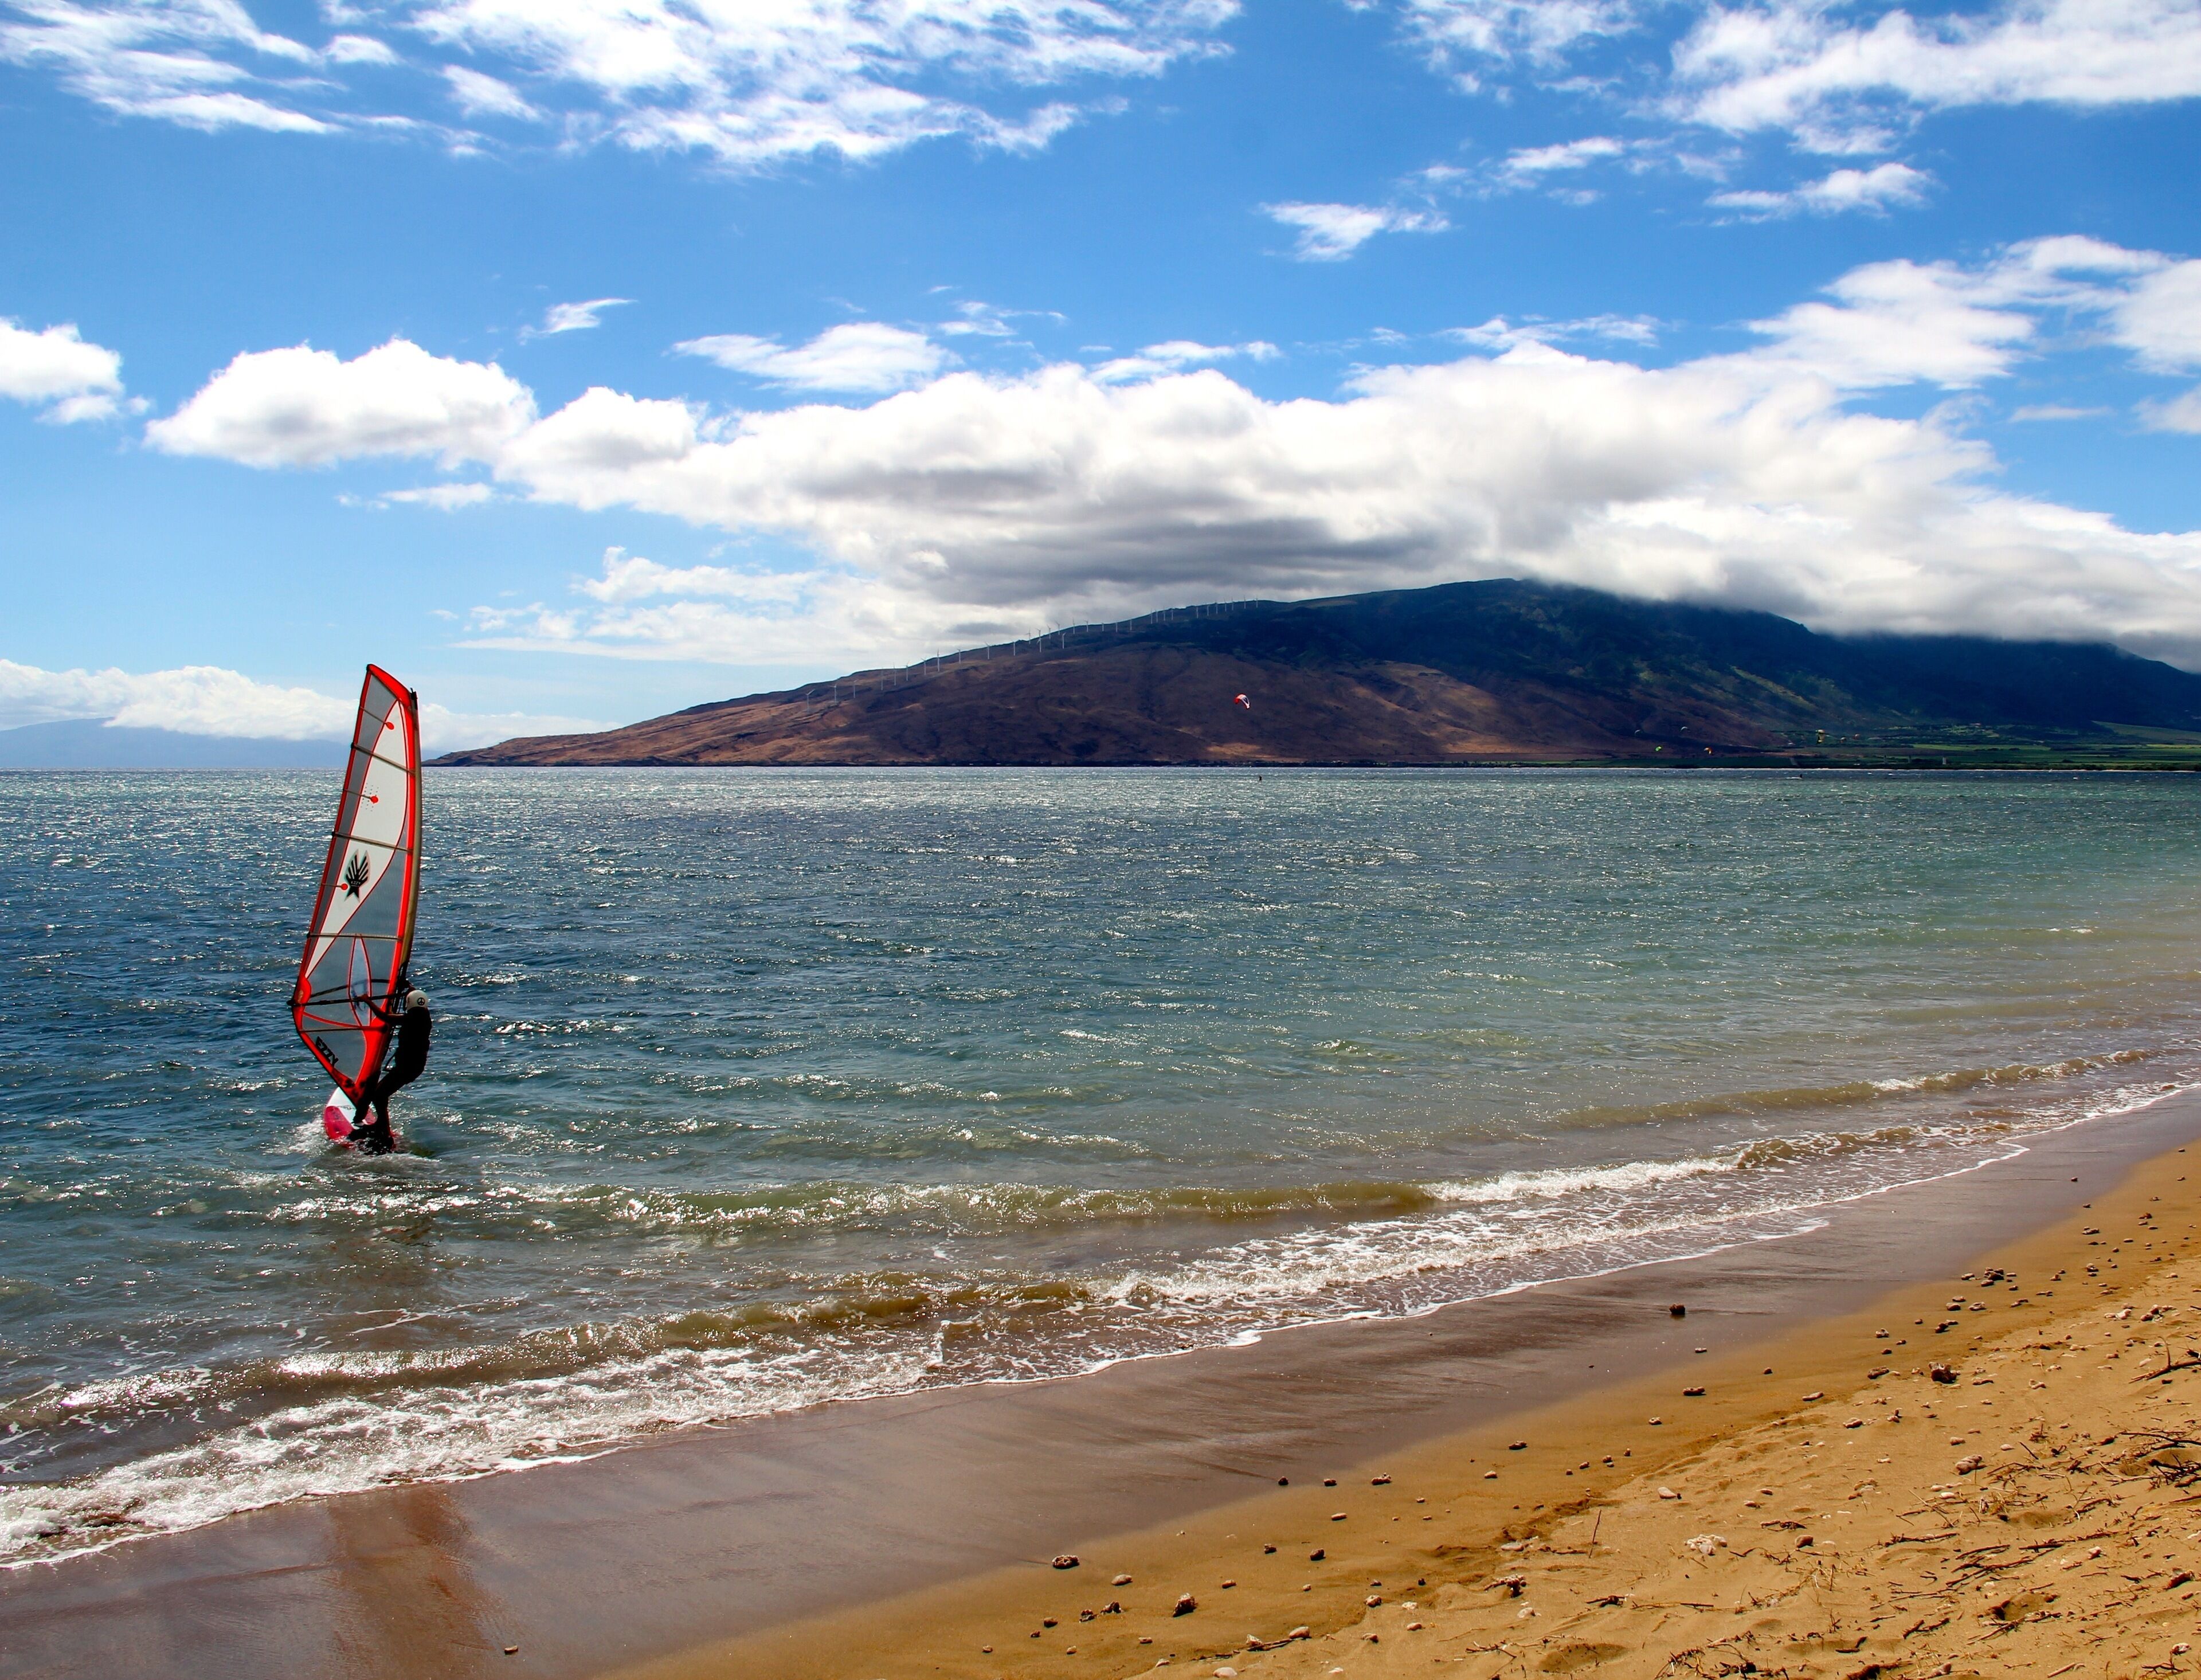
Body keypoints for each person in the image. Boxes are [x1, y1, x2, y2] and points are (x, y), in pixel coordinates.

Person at [352, 987, 432, 1154]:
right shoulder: (424, 1016)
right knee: (380, 1094)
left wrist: (368, 1001)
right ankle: (381, 1126)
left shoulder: (413, 1017)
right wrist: (409, 989)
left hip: (408, 1068)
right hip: (412, 1067)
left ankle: (383, 1130)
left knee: (379, 1095)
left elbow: (385, 1018)